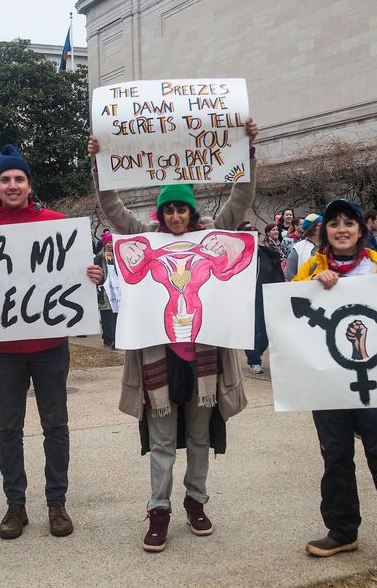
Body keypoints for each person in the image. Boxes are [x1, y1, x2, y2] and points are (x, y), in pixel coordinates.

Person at [89, 119, 257, 553]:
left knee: (200, 437)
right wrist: (99, 162)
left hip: (202, 361)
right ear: (160, 214)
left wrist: (246, 152)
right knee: (162, 441)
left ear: (192, 211)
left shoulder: (212, 237)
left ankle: (195, 501)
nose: (177, 216)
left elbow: (240, 200)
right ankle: (158, 509)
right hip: (158, 360)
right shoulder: (144, 242)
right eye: (170, 210)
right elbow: (112, 208)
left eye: (182, 209)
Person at [0, 143, 103, 541]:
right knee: (9, 429)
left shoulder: (57, 223)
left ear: (28, 184)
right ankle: (16, 505)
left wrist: (92, 273)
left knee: (55, 425)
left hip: (50, 347)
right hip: (4, 352)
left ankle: (57, 503)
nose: (12, 184)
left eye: (18, 178)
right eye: (5, 179)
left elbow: (79, 272)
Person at [294, 198, 377, 582]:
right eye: (333, 223)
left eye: (348, 222)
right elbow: (291, 309)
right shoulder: (311, 267)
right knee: (335, 458)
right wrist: (313, 285)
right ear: (325, 232)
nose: (341, 229)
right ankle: (342, 530)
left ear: (360, 229)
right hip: (329, 385)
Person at [240, 219, 285, 375]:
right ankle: (254, 360)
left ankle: (257, 352)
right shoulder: (237, 257)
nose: (253, 237)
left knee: (266, 333)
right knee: (251, 330)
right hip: (247, 301)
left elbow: (277, 275)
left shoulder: (268, 255)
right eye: (248, 234)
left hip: (266, 298)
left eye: (255, 235)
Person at [96, 240, 119, 348]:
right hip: (104, 290)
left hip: (116, 290)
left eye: (112, 242)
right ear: (104, 244)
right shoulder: (99, 257)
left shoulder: (117, 257)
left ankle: (113, 338)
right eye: (108, 242)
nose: (110, 244)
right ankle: (108, 338)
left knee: (114, 314)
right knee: (106, 315)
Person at [285, 214, 322, 280]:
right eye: (321, 225)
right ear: (313, 229)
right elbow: (290, 274)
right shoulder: (298, 248)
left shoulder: (328, 246)